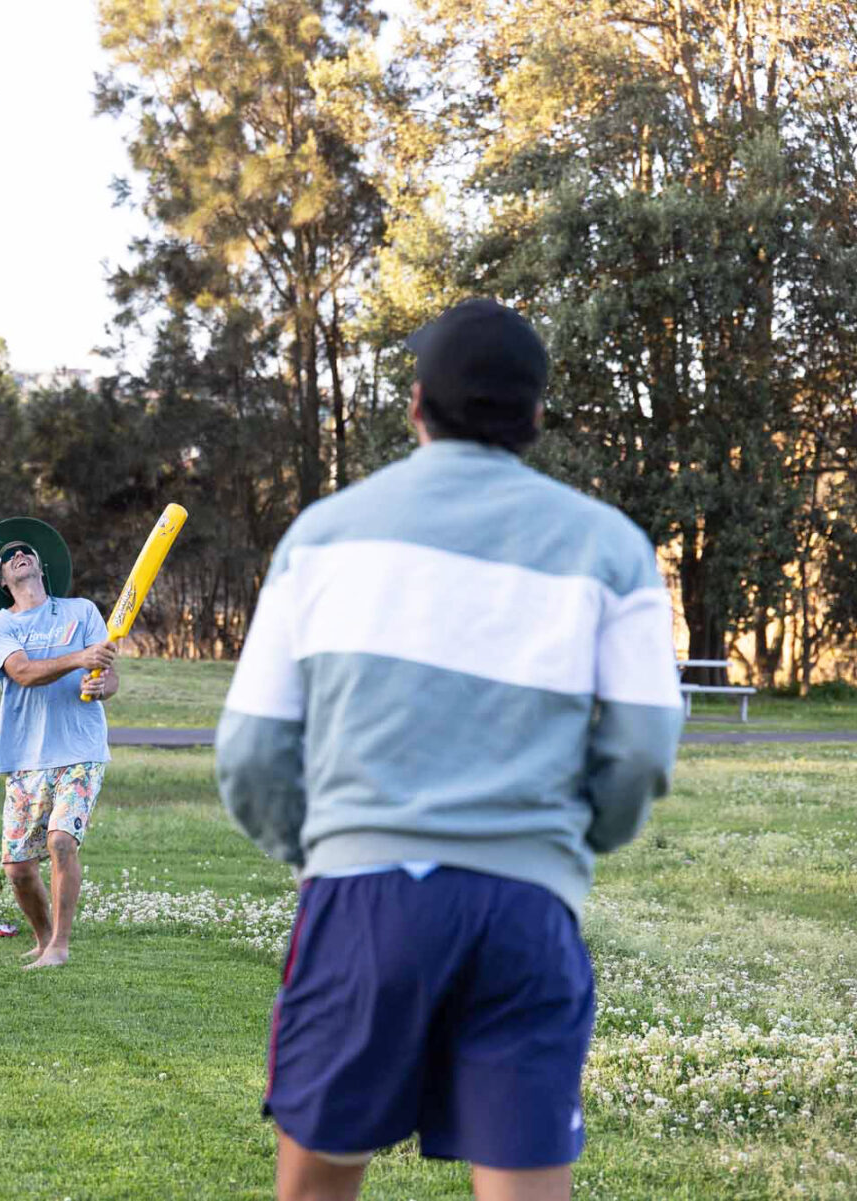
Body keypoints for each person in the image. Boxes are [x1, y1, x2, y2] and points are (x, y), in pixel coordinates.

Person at [215, 299, 684, 1201]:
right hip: (524, 908)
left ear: (416, 405)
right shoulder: (610, 546)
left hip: (361, 899)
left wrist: (324, 847)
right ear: (537, 414)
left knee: (317, 1183)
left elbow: (251, 751)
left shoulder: (322, 535)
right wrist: (568, 842)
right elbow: (640, 745)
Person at [0, 516, 119, 970]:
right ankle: (43, 939)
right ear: (1, 580)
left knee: (60, 841)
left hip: (80, 747)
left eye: (25, 552)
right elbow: (23, 673)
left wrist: (102, 685)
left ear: (41, 566)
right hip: (25, 754)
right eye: (8, 557)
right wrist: (79, 658)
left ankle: (61, 947)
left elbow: (109, 676)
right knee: (17, 870)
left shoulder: (82, 612)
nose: (19, 555)